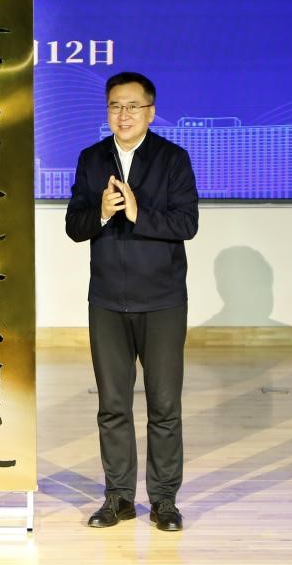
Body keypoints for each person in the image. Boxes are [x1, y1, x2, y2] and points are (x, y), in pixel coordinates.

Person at [65, 71, 199, 532]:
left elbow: (187, 224)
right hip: (106, 301)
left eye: (132, 106)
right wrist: (102, 213)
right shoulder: (92, 159)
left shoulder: (172, 159)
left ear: (150, 112)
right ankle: (119, 497)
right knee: (113, 406)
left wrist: (139, 213)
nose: (123, 115)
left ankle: (164, 500)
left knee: (164, 406)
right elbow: (74, 226)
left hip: (162, 301)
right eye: (115, 106)